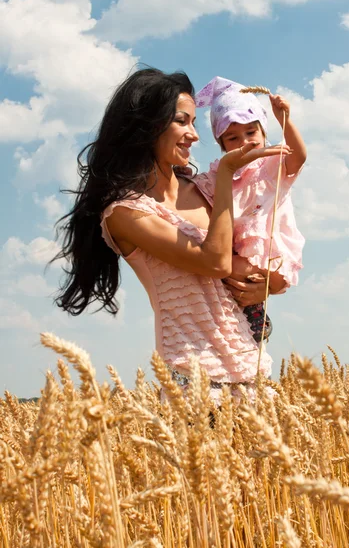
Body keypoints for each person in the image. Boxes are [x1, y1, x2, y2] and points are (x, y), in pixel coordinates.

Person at [53, 67, 291, 401]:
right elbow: (215, 262)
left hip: (250, 366)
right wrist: (225, 173)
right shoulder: (126, 213)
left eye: (194, 122)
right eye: (182, 121)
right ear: (147, 127)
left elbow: (249, 252)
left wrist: (274, 282)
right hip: (195, 381)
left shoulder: (203, 189)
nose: (194, 135)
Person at [194, 77, 307, 342]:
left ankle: (256, 315)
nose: (244, 141)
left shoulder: (270, 165)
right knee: (226, 274)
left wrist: (285, 121)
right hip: (235, 247)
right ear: (222, 144)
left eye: (251, 133)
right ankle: (250, 315)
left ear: (264, 133)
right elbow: (198, 189)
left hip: (267, 251)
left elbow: (298, 157)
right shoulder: (220, 173)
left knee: (230, 269)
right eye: (232, 137)